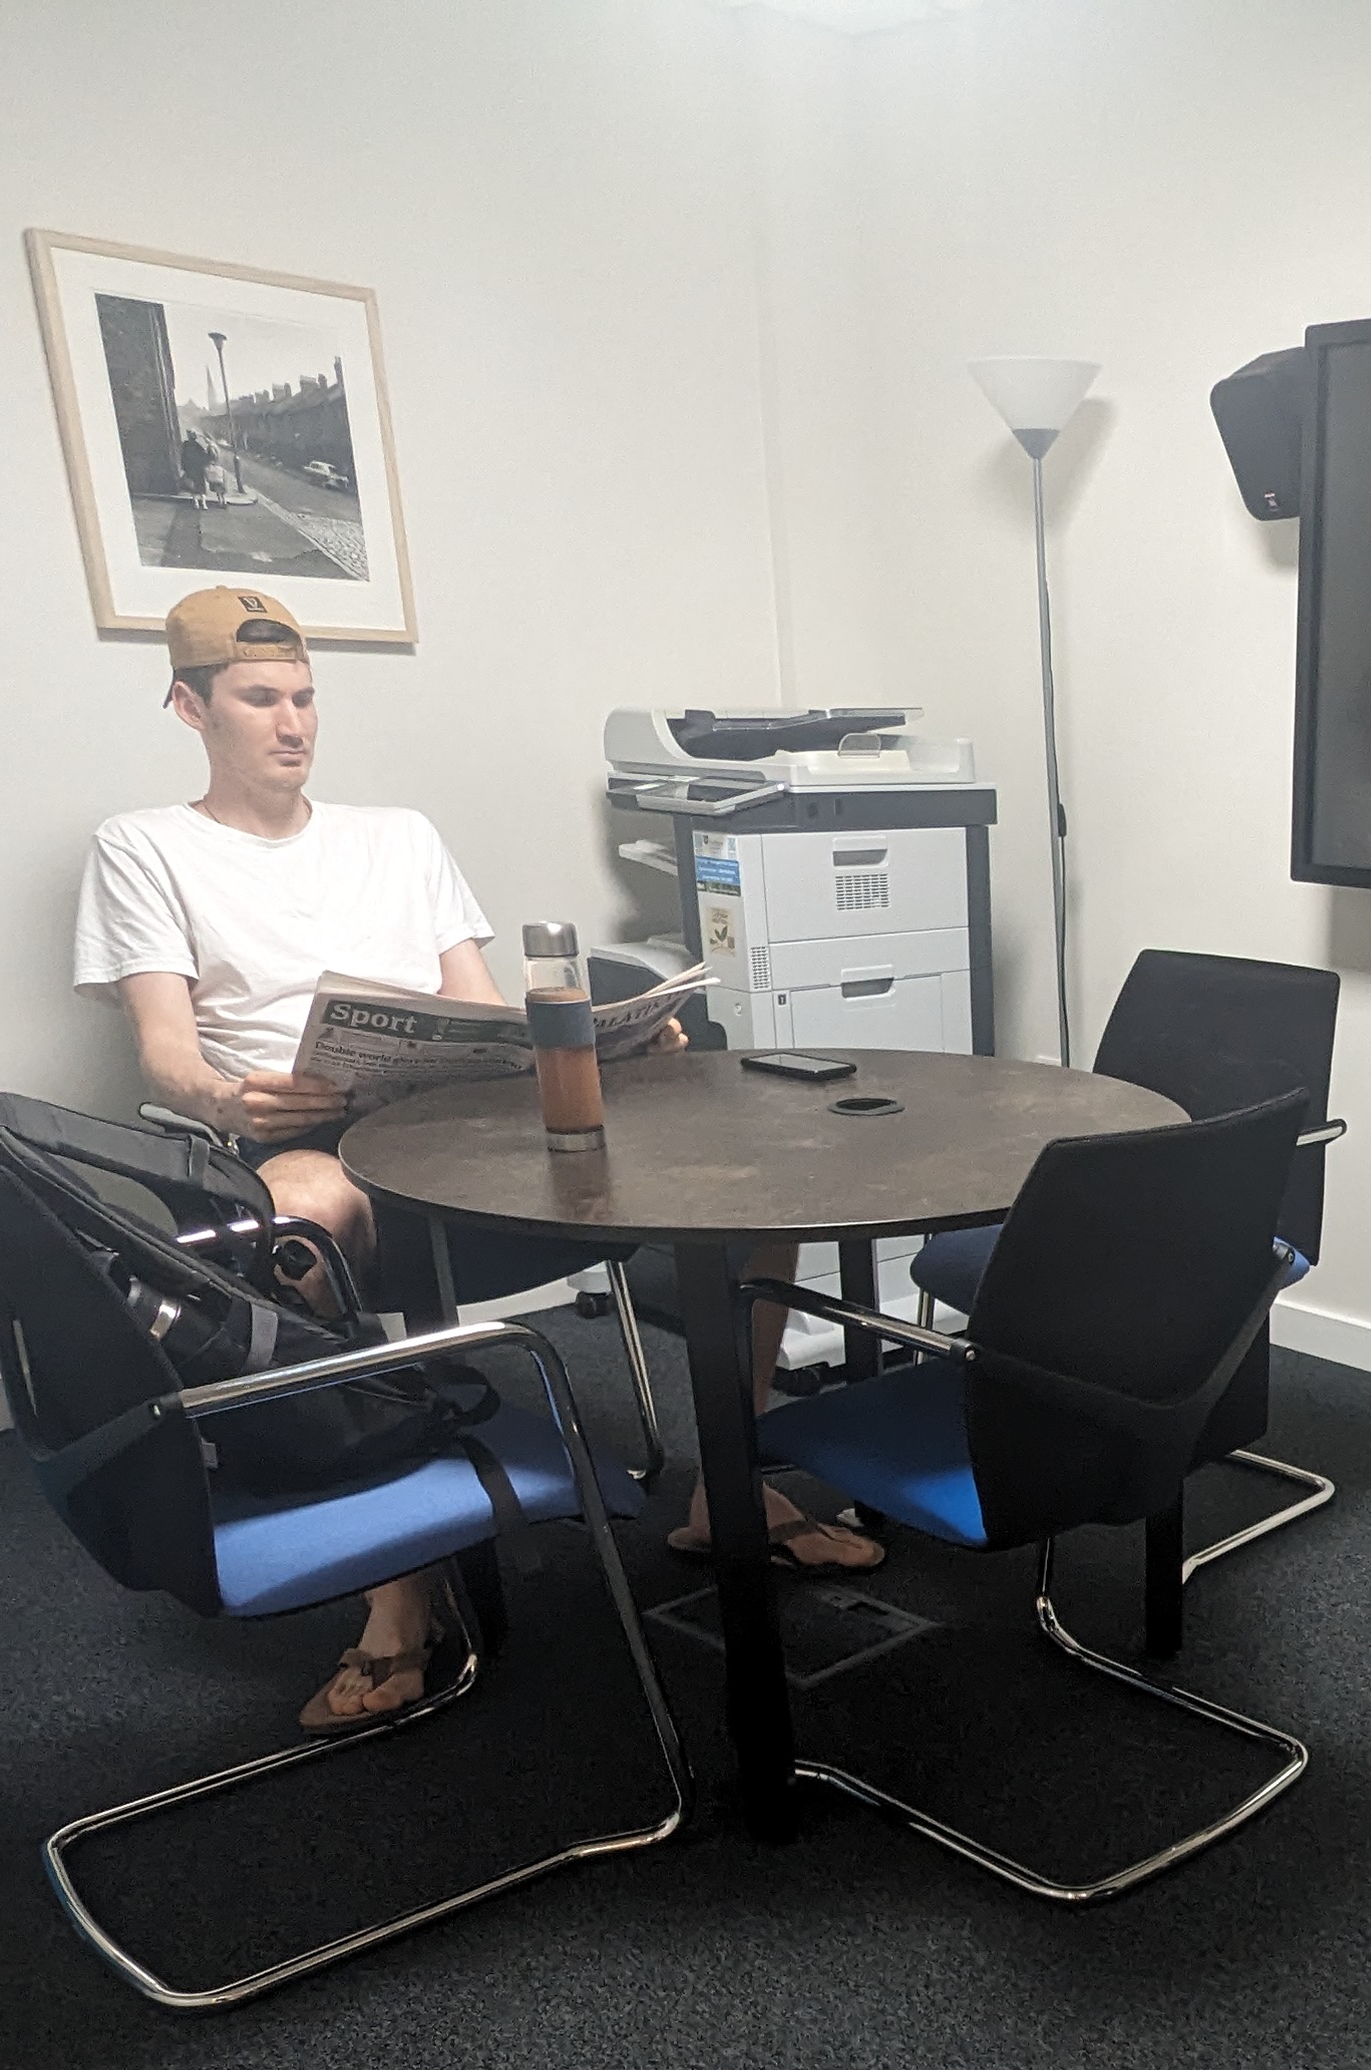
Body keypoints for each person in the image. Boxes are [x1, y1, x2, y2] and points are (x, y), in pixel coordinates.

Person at [75, 585, 875, 1731]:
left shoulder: (396, 835)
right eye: (260, 699)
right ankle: (398, 1595)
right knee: (298, 1217)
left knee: (751, 1177)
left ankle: (728, 1492)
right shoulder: (144, 847)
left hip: (470, 1118)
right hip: (309, 1136)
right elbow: (164, 1057)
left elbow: (483, 1013)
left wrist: (620, 1039)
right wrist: (235, 1099)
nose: (292, 722)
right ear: (189, 707)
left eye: (304, 697)